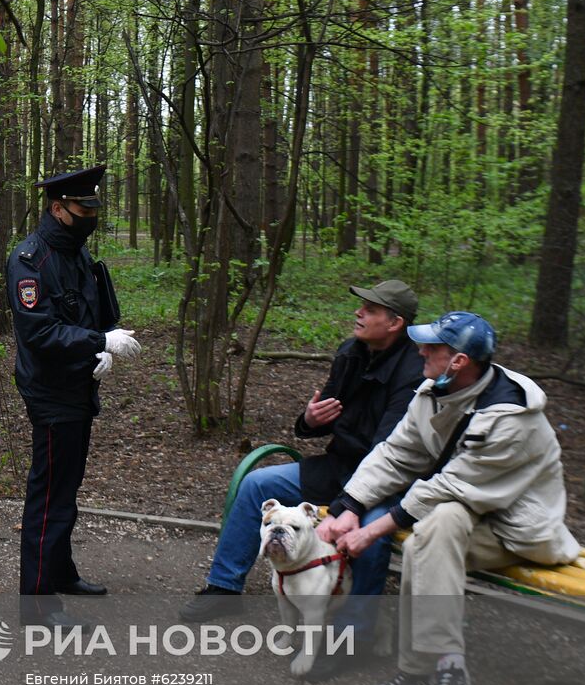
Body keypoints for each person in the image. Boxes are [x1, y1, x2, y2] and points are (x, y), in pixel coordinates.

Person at [323, 311, 579, 685]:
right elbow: (396, 453)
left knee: (432, 530)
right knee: (430, 535)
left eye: (432, 347)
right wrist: (350, 505)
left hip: (516, 530)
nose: (420, 350)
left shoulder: (511, 416)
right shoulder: (432, 392)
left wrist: (370, 532)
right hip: (462, 516)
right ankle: (444, 667)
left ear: (459, 361)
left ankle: (424, 671)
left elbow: (454, 485)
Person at [178, 280, 425, 659]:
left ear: (395, 322)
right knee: (256, 484)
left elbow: (389, 450)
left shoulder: (414, 371)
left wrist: (347, 507)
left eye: (370, 310)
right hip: (339, 466)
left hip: (385, 481)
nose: (358, 313)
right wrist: (309, 420)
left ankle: (352, 639)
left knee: (369, 538)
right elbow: (322, 419)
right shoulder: (351, 352)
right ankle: (224, 588)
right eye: (361, 307)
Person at [7, 164, 141, 611]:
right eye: (84, 208)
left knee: (67, 488)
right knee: (49, 496)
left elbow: (90, 313)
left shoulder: (77, 254)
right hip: (50, 391)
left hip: (79, 386)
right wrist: (98, 341)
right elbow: (39, 333)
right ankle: (38, 602)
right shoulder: (30, 260)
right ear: (58, 209)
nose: (91, 215)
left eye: (93, 207)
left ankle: (59, 571)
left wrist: (101, 344)